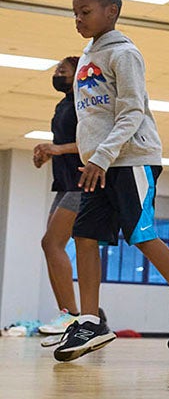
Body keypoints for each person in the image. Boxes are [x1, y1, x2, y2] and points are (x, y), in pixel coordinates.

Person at [52, 0, 169, 362]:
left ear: (111, 11)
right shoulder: (88, 55)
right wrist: (93, 155)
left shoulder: (124, 54)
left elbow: (131, 113)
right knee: (84, 235)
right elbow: (93, 117)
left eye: (85, 12)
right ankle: (90, 320)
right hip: (100, 164)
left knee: (140, 235)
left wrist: (103, 155)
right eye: (75, 13)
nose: (78, 19)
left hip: (131, 158)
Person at [32, 56, 82, 339]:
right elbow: (62, 144)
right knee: (49, 245)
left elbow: (93, 141)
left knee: (52, 243)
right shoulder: (63, 104)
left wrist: (58, 149)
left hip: (81, 181)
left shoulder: (84, 104)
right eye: (55, 70)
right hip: (64, 183)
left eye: (63, 70)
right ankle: (68, 313)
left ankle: (73, 315)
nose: (57, 73)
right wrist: (46, 155)